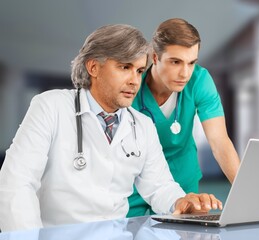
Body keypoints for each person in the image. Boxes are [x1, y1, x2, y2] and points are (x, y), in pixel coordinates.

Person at [0, 24, 222, 232]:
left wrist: (180, 201)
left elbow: (159, 186)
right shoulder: (51, 107)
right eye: (125, 67)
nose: (135, 80)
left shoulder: (142, 125)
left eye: (139, 70)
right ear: (94, 67)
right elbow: (17, 183)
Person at [129, 18, 241, 217]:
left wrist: (245, 193)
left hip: (183, 181)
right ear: (154, 57)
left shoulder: (200, 80)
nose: (185, 73)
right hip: (136, 183)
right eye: (175, 62)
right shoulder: (131, 86)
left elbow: (219, 142)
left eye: (191, 62)